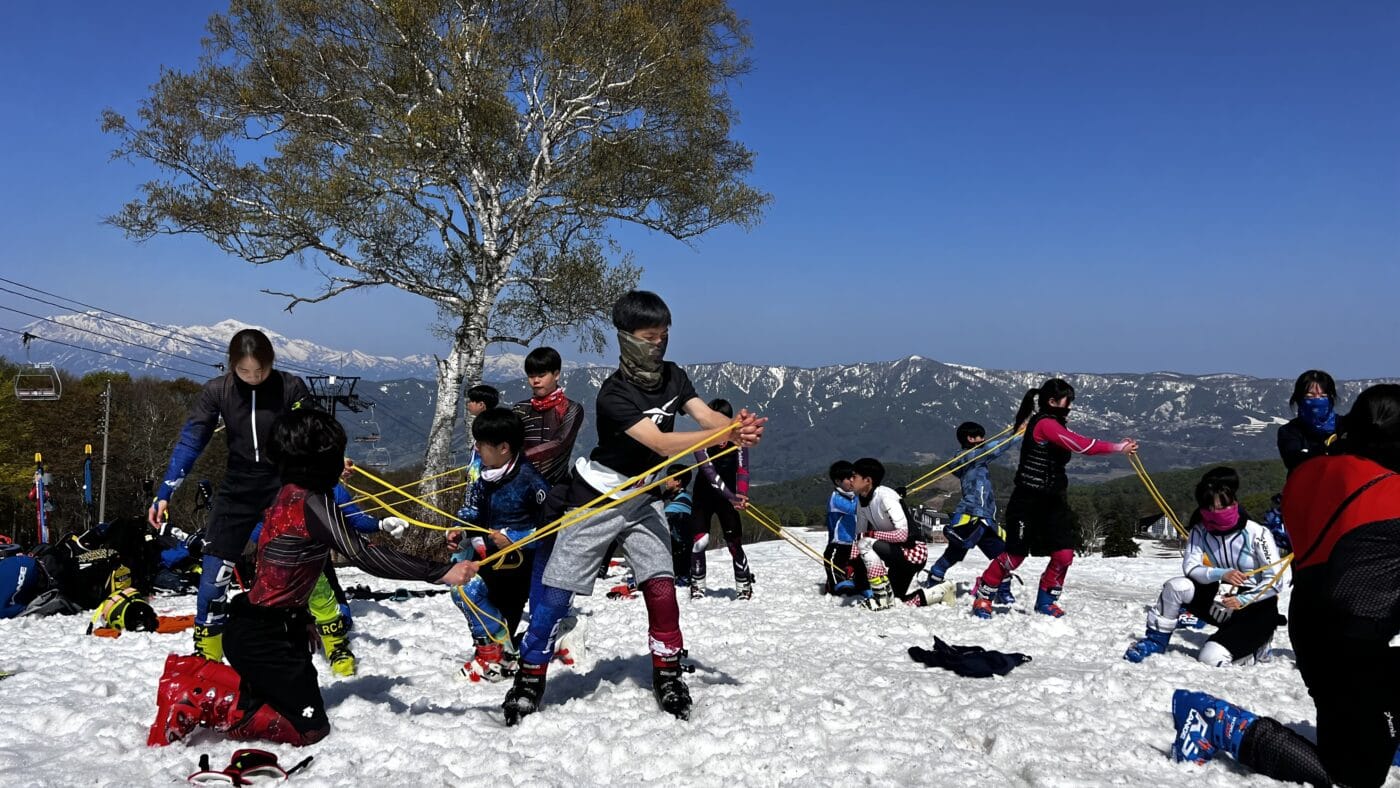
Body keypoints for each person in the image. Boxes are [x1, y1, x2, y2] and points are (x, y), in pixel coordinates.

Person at [501, 290, 765, 724]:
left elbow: (704, 417)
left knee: (661, 587)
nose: (658, 345)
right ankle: (530, 675)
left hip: (643, 496)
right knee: (556, 593)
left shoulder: (675, 376)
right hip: (598, 496)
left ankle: (667, 670)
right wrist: (727, 436)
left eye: (664, 336)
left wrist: (737, 427)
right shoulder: (613, 395)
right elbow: (661, 442)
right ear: (626, 339)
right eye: (649, 337)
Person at [147, 409, 477, 747]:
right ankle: (192, 694)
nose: (342, 463)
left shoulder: (288, 491)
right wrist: (440, 572)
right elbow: (365, 556)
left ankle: (193, 675)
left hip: (272, 625)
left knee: (277, 702)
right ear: (319, 461)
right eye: (336, 455)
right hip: (262, 635)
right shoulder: (313, 503)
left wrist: (302, 617)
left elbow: (288, 568)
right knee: (309, 729)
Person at [1169, 384, 1400, 787]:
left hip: (1314, 627)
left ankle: (1377, 728)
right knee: (1356, 776)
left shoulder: (1307, 474)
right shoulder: (1392, 490)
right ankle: (1219, 724)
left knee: (1358, 719)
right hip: (1353, 645)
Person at [148, 329, 311, 660]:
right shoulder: (217, 391)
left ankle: (329, 639)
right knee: (214, 571)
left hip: (282, 485)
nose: (253, 379)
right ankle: (207, 655)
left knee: (300, 567)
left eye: (260, 371)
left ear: (271, 363)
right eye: (244, 372)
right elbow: (192, 440)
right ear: (231, 366)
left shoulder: (290, 386)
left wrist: (330, 461)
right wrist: (165, 491)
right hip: (237, 487)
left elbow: (313, 429)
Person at [971, 379, 1137, 619]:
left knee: (1064, 555)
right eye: (1066, 402)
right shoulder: (1046, 424)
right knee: (1015, 556)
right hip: (1027, 501)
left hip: (1053, 501)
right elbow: (1081, 446)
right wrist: (1118, 447)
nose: (1069, 406)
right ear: (1052, 402)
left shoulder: (1056, 423)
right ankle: (985, 592)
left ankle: (1047, 599)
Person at [1124, 467, 1284, 665]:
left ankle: (1255, 645)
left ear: (1234, 502)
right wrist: (1221, 574)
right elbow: (1190, 568)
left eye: (1225, 506)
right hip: (1222, 601)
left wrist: (1243, 599)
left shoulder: (1257, 533)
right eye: (1212, 508)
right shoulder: (1200, 531)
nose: (1220, 513)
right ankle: (1155, 642)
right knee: (1176, 586)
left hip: (1255, 609)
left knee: (1211, 658)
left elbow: (1275, 581)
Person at [446, 408, 550, 682]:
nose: (476, 448)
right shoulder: (486, 474)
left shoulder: (530, 481)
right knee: (464, 590)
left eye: (481, 444)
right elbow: (473, 510)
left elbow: (552, 529)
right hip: (490, 556)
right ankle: (493, 653)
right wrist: (459, 530)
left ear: (504, 447)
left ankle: (499, 657)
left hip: (520, 564)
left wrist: (513, 539)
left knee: (477, 595)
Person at [925, 422, 1018, 602]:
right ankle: (934, 581)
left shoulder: (970, 458)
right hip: (971, 516)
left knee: (1002, 556)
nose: (984, 440)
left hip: (984, 517)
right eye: (980, 437)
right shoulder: (972, 456)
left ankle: (1003, 590)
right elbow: (995, 448)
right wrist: (1019, 433)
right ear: (970, 439)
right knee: (954, 554)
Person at [689, 399, 754, 600]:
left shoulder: (738, 440)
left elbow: (742, 469)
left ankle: (743, 583)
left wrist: (741, 493)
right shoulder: (700, 439)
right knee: (700, 541)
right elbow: (708, 472)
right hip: (704, 495)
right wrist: (732, 496)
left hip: (729, 498)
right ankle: (697, 584)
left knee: (734, 542)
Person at [849, 459, 928, 609]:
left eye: (854, 477)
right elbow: (858, 533)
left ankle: (880, 595)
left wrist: (872, 534)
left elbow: (902, 535)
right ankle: (939, 592)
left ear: (867, 481)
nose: (850, 480)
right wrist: (852, 562)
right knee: (895, 601)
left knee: (865, 542)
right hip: (896, 554)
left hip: (913, 552)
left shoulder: (886, 497)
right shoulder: (862, 500)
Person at [513, 347, 586, 487]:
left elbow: (560, 442)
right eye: (531, 376)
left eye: (541, 375)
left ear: (556, 374)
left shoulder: (571, 408)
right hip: (520, 484)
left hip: (556, 486)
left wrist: (518, 458)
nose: (536, 381)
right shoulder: (520, 409)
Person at [1277, 369, 1340, 474]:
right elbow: (1293, 461)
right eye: (1310, 396)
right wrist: (1327, 450)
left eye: (1323, 396)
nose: (1317, 401)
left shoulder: (1345, 426)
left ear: (1331, 399)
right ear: (1299, 399)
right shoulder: (1289, 431)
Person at [824, 461, 861, 595]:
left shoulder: (854, 497)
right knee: (836, 576)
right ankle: (833, 585)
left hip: (853, 544)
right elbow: (854, 509)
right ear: (838, 481)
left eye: (853, 477)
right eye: (848, 478)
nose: (852, 481)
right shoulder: (836, 499)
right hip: (837, 545)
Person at [663, 465, 695, 583]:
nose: (666, 480)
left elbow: (661, 519)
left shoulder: (681, 502)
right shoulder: (682, 497)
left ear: (678, 482)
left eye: (669, 477)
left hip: (679, 564)